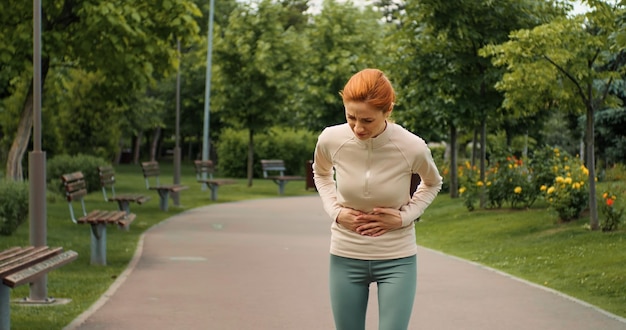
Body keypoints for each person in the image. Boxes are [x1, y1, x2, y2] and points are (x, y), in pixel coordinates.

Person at [312, 68, 443, 330]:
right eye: (351, 117)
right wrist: (335, 211)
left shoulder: (412, 146)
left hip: (397, 258)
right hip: (346, 254)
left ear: (387, 110)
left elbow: (433, 182)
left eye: (368, 121)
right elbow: (321, 172)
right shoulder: (331, 139)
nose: (358, 128)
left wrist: (405, 216)